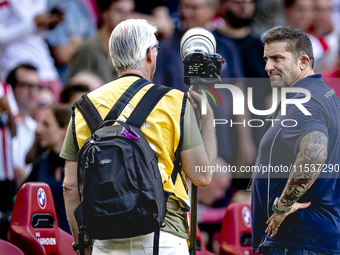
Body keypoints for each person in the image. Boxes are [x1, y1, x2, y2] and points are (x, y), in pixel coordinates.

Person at [60, 19, 217, 254]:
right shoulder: (175, 102)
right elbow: (201, 176)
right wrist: (208, 120)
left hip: (106, 238)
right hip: (163, 237)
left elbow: (70, 187)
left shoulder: (83, 107)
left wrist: (85, 247)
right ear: (150, 54)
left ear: (113, 58)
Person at [251, 26, 340, 255]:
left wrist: (283, 206)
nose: (268, 67)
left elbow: (315, 152)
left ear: (303, 61)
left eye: (277, 58)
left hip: (295, 241)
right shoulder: (325, 95)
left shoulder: (303, 100)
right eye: (266, 59)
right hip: (311, 239)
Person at [0, 0, 63, 99]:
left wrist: (49, 24)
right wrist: (32, 24)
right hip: (16, 66)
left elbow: (36, 35)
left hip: (45, 66)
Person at [25, 104, 72, 234]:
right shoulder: (41, 164)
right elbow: (21, 200)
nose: (39, 130)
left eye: (46, 125)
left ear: (65, 129)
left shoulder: (82, 167)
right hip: (43, 242)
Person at [68, 0, 135, 83]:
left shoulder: (131, 50)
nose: (125, 18)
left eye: (129, 12)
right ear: (105, 13)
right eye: (119, 11)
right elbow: (75, 90)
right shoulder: (89, 48)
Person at [6, 64, 40, 186]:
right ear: (12, 88)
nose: (33, 92)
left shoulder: (38, 128)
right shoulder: (4, 126)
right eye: (27, 85)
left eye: (37, 86)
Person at [0, 81, 19, 240]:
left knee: (6, 220)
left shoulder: (5, 89)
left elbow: (15, 131)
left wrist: (7, 108)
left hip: (6, 172)